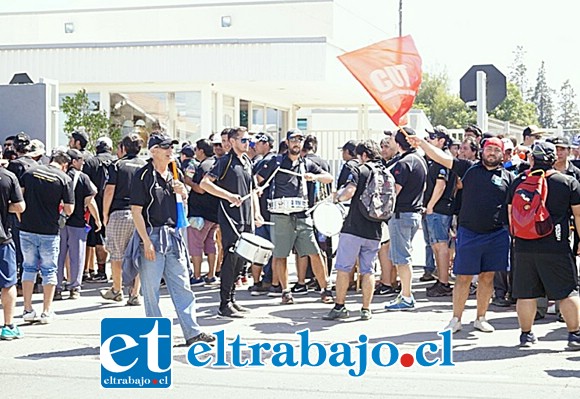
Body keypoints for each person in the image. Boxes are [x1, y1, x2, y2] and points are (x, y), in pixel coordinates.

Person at [411, 135, 513, 332]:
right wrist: (422, 143)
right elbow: (440, 157)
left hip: (497, 234)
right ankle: (456, 319)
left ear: (503, 154)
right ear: (482, 151)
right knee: (463, 278)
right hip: (469, 232)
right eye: (489, 149)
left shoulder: (509, 177)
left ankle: (480, 318)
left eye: (496, 150)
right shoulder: (468, 168)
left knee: (487, 277)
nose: (492, 153)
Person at [129, 132, 215, 345]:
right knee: (151, 291)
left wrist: (183, 193)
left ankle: (192, 332)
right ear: (154, 151)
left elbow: (180, 207)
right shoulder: (143, 176)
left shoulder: (173, 174)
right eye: (165, 147)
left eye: (171, 147)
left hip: (173, 235)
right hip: (152, 234)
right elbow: (136, 211)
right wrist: (146, 241)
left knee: (182, 285)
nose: (170, 151)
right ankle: (156, 334)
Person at [507, 141, 580, 349]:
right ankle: (574, 335)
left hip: (523, 245)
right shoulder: (567, 182)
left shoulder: (518, 181)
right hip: (555, 245)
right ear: (553, 158)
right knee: (567, 291)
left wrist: (517, 238)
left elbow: (511, 214)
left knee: (526, 293)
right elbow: (578, 215)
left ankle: (526, 335)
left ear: (532, 159)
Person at [257, 129, 334, 305]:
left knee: (314, 252)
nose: (296, 143)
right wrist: (260, 191)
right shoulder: (275, 162)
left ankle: (325, 289)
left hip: (302, 214)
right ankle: (285, 291)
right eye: (293, 140)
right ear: (287, 142)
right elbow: (257, 179)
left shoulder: (306, 163)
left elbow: (329, 178)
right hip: (280, 215)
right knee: (281, 254)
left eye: (300, 140)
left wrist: (314, 176)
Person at [200, 127, 263, 318]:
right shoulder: (225, 161)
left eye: (249, 141)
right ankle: (224, 303)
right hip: (230, 217)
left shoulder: (247, 161)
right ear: (233, 141)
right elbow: (205, 183)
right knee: (231, 257)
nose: (247, 144)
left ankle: (232, 299)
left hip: (246, 217)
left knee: (241, 260)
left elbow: (252, 191)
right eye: (244, 140)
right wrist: (228, 196)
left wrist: (257, 214)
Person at [323, 140, 383, 321]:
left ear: (364, 155)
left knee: (343, 268)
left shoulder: (360, 170)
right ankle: (366, 309)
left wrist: (336, 199)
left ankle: (340, 306)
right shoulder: (385, 172)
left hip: (354, 227)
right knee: (368, 270)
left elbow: (349, 191)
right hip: (375, 229)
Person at [20, 148, 75, 324]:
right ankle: (46, 311)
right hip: (49, 231)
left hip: (27, 228)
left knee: (28, 268)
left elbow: (19, 198)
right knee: (49, 270)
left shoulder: (30, 172)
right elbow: (69, 208)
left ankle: (27, 309)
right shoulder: (64, 179)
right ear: (65, 165)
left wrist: (23, 218)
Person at [384, 128, 427, 311]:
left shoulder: (404, 163)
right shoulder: (420, 160)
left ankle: (407, 295)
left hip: (402, 214)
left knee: (402, 258)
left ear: (399, 141)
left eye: (393, 138)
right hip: (414, 213)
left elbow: (395, 191)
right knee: (403, 255)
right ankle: (404, 293)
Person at [100, 133, 146, 305]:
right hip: (140, 214)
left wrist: (105, 213)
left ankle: (117, 290)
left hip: (119, 213)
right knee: (138, 255)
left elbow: (109, 190)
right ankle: (135, 293)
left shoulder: (117, 165)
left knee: (117, 254)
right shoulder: (145, 165)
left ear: (123, 148)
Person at [55, 149, 100, 300]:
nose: (83, 163)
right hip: (78, 222)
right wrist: (97, 218)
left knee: (58, 255)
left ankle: (57, 287)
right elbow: (91, 197)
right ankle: (74, 287)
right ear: (73, 162)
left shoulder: (59, 176)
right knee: (77, 256)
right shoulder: (83, 178)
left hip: (59, 222)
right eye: (80, 160)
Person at [423, 128, 456, 297]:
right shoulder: (437, 160)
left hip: (440, 209)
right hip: (438, 209)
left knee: (441, 245)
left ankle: (444, 282)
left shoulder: (442, 161)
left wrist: (430, 205)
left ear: (442, 141)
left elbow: (441, 184)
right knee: (436, 245)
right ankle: (441, 279)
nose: (428, 139)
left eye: (432, 137)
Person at [186, 139, 220, 287]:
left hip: (200, 213)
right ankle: (211, 275)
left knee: (196, 244)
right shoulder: (217, 163)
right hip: (214, 213)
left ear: (201, 150)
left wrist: (188, 182)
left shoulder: (203, 166)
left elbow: (201, 188)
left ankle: (197, 275)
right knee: (211, 243)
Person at [83, 136, 116, 282]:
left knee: (94, 238)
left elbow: (85, 186)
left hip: (93, 205)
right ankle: (107, 272)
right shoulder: (116, 162)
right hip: (114, 205)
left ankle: (96, 271)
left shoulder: (91, 162)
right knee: (111, 240)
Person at [0, 165, 26, 339]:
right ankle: (8, 325)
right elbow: (20, 206)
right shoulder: (8, 177)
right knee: (8, 283)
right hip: (2, 238)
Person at [374, 132, 400, 296]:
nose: (383, 150)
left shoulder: (398, 164)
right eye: (382, 147)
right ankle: (389, 280)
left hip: (392, 211)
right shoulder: (382, 164)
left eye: (387, 147)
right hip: (385, 211)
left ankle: (388, 282)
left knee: (386, 248)